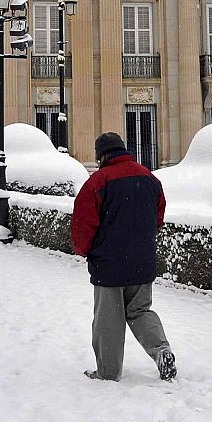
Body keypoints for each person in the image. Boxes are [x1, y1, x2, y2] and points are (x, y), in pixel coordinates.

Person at [71, 132, 177, 382]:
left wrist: (85, 250)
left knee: (109, 319)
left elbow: (83, 223)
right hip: (143, 261)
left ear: (102, 156)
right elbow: (158, 216)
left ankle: (108, 372)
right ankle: (161, 349)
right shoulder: (149, 178)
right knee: (140, 311)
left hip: (109, 264)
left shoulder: (99, 181)